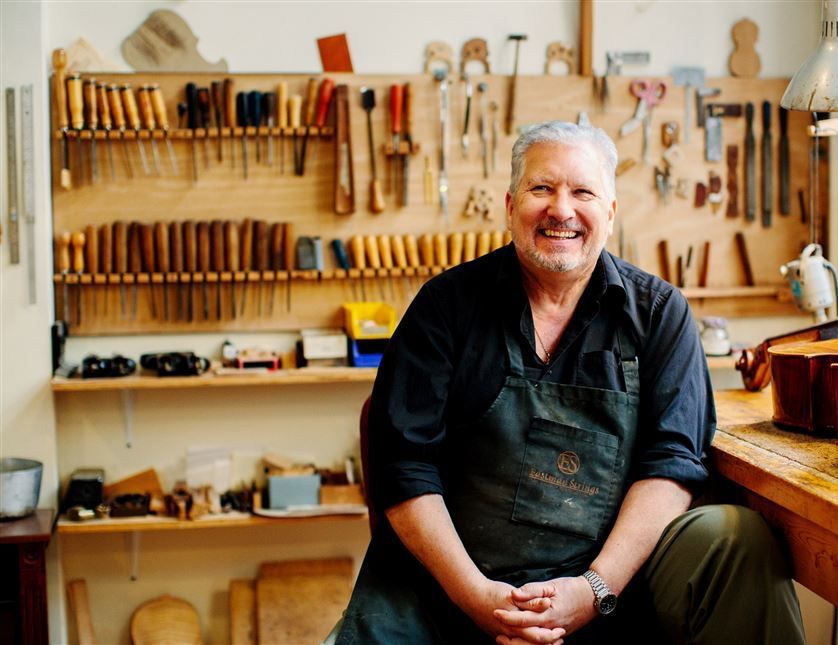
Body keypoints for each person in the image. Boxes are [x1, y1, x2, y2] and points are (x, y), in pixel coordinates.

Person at [333, 121, 805, 644]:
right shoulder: (445, 307)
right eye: (542, 189)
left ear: (610, 212)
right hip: (447, 593)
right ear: (510, 206)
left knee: (737, 539)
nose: (561, 209)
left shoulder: (659, 314)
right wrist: (477, 598)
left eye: (583, 191)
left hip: (610, 592)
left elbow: (672, 462)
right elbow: (404, 465)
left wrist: (594, 590)